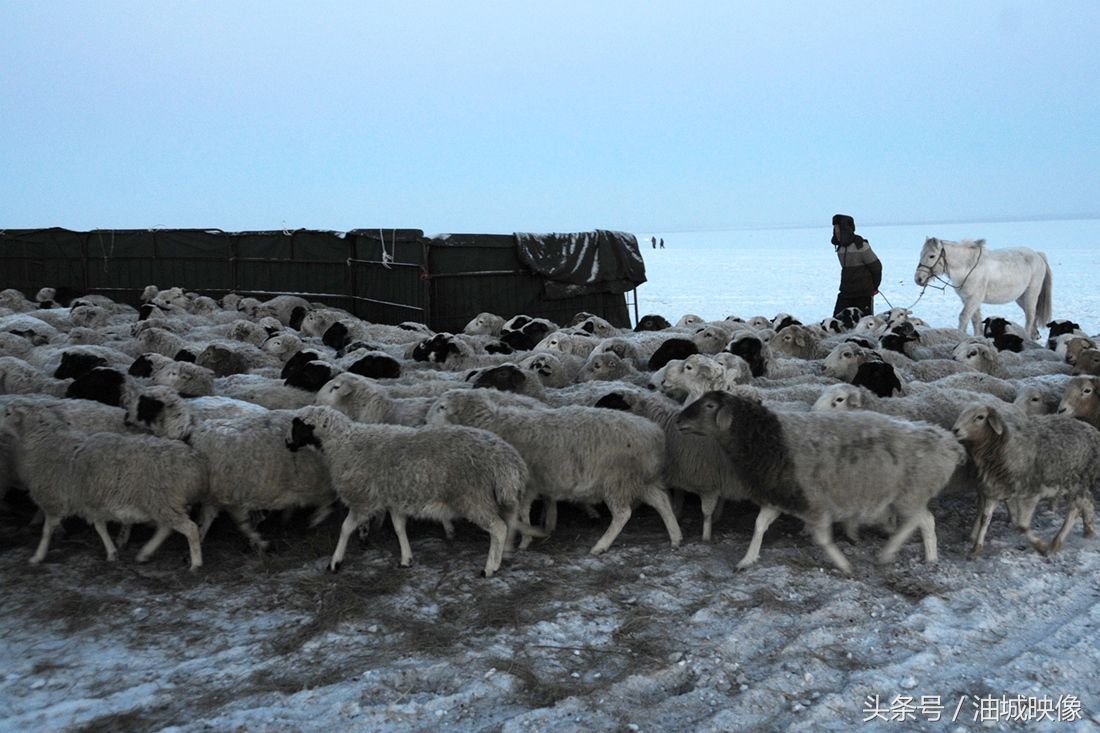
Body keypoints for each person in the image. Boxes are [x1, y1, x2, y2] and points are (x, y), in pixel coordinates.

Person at [831, 214, 881, 319]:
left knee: (864, 323)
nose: (836, 232)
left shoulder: (861, 246)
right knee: (837, 320)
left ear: (845, 230)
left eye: (838, 229)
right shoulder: (840, 248)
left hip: (863, 293)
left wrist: (874, 287)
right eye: (835, 229)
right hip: (846, 292)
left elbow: (877, 267)